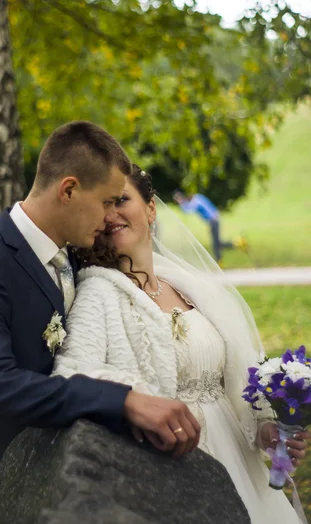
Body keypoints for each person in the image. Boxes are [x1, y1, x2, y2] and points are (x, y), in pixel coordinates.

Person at [0, 122, 200, 524]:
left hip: (50, 489)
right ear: (68, 190)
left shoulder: (72, 258)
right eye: (106, 202)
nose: (109, 219)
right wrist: (121, 400)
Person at [53, 165, 310, 524]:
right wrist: (134, 402)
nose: (111, 215)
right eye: (103, 205)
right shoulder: (99, 293)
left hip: (238, 462)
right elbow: (71, 372)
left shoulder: (189, 285)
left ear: (151, 208)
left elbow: (233, 383)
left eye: (121, 200)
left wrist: (267, 432)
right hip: (172, 466)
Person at [172, 190, 247, 264]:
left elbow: (187, 210)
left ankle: (234, 246)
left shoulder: (196, 201)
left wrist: (181, 202)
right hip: (214, 219)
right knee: (217, 243)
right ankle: (223, 256)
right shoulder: (198, 197)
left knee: (216, 244)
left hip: (213, 221)